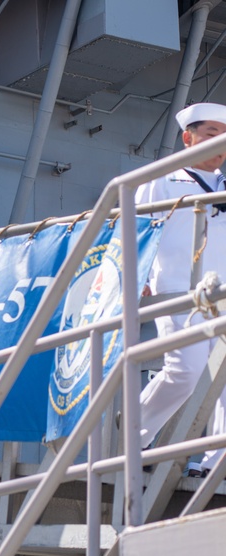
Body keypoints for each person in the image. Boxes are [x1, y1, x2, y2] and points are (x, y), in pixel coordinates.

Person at [133, 103, 226, 473]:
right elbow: (137, 230)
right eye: (210, 134)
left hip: (223, 293)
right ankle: (133, 440)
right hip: (179, 292)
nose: (218, 143)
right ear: (189, 138)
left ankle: (217, 459)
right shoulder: (163, 178)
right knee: (184, 371)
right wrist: (135, 277)